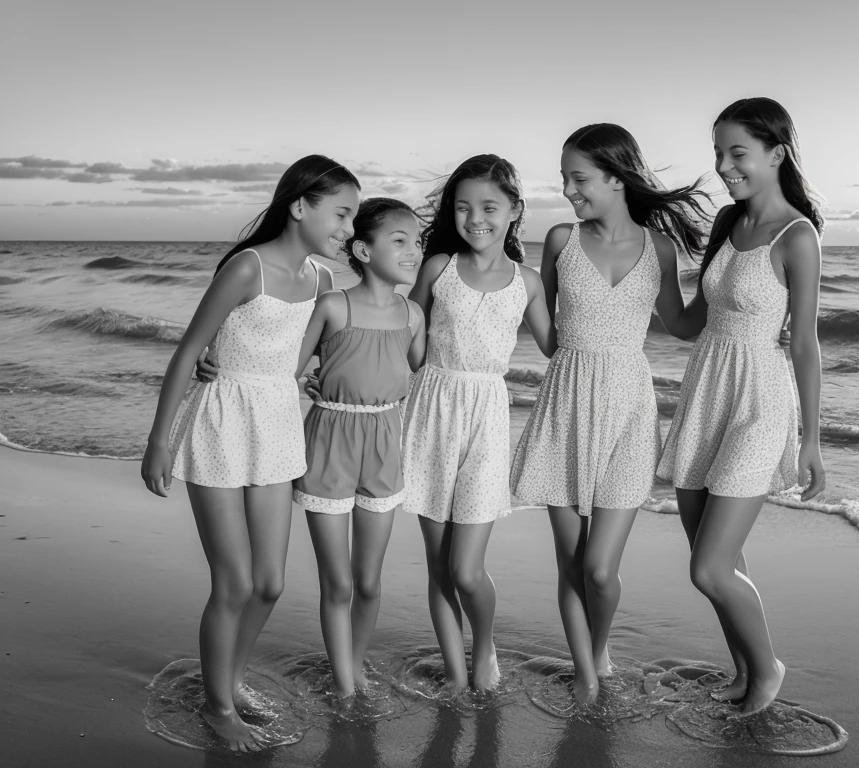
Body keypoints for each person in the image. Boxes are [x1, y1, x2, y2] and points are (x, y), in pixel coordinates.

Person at [141, 155, 358, 751]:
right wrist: (159, 443)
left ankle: (229, 680)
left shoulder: (324, 281)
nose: (348, 228)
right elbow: (190, 353)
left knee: (270, 582)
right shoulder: (247, 268)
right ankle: (217, 707)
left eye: (354, 218)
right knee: (233, 582)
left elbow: (301, 354)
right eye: (341, 214)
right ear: (299, 207)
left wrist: (309, 379)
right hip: (220, 422)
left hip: (278, 427)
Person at [510, 125, 710, 704]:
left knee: (600, 569)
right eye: (566, 178)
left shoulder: (661, 250)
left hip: (628, 409)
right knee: (573, 566)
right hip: (564, 405)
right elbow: (545, 335)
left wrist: (740, 295)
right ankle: (588, 675)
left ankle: (598, 650)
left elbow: (680, 324)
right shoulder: (559, 240)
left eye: (579, 178)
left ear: (616, 177)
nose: (569, 190)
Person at [657, 97, 826, 716]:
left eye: (738, 153)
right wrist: (654, 266)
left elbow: (805, 344)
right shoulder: (728, 222)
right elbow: (688, 323)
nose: (726, 166)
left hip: (759, 401)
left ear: (776, 153)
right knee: (721, 554)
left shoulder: (797, 236)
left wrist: (811, 439)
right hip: (706, 394)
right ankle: (744, 671)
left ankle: (769, 668)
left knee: (710, 568)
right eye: (719, 153)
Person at [404, 154, 557, 691]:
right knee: (438, 564)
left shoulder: (529, 282)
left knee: (467, 569)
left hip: (487, 418)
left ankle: (484, 647)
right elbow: (403, 338)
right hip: (429, 413)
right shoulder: (438, 267)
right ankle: (453, 671)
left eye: (489, 207)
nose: (475, 219)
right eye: (463, 207)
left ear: (515, 210)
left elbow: (560, 348)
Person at [292, 198, 426, 699]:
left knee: (369, 583)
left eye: (417, 242)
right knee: (340, 584)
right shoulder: (333, 305)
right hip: (330, 443)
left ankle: (354, 665)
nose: (413, 251)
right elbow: (288, 367)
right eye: (400, 241)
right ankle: (345, 686)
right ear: (363, 250)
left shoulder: (413, 315)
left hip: (385, 445)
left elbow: (413, 371)